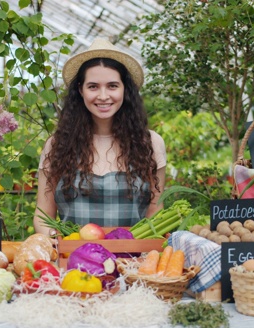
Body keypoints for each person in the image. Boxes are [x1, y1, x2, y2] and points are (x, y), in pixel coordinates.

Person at [33, 38, 167, 236]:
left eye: (112, 86)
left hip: (132, 262)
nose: (103, 96)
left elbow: (155, 212)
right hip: (73, 261)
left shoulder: (150, 143)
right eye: (93, 86)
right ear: (80, 90)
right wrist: (55, 240)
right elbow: (43, 214)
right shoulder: (57, 145)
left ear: (125, 90)